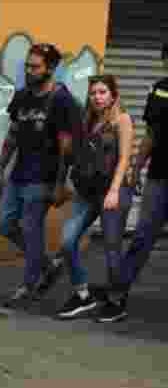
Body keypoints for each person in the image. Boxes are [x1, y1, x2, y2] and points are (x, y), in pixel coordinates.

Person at [0, 42, 79, 307]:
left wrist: (59, 184)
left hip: (43, 179)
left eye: (35, 67)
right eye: (27, 66)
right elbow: (12, 134)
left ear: (51, 68)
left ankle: (28, 287)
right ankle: (47, 266)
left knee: (31, 231)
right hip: (18, 175)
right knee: (7, 226)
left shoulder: (62, 100)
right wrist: (0, 166)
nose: (29, 71)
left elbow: (66, 149)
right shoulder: (22, 97)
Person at [52, 75, 134, 320]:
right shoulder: (86, 121)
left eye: (102, 92)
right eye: (93, 93)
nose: (97, 97)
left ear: (112, 95)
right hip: (88, 192)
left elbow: (124, 159)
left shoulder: (122, 120)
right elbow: (72, 154)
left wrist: (114, 191)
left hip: (113, 191)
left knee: (111, 247)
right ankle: (83, 295)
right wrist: (62, 183)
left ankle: (116, 301)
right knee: (68, 241)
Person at [104, 42, 168, 323]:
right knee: (142, 235)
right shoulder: (160, 90)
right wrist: (136, 167)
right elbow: (152, 134)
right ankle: (117, 296)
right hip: (160, 177)